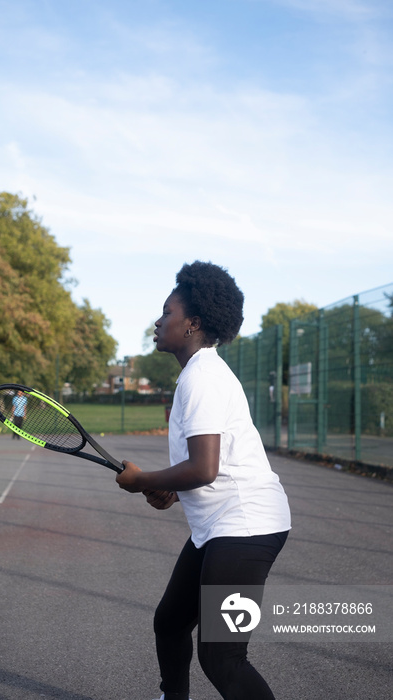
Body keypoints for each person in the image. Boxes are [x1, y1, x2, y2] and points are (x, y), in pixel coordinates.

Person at [116, 261, 291, 700]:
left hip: (246, 527)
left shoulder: (202, 379)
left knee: (222, 656)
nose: (158, 321)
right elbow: (208, 467)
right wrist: (171, 490)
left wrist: (141, 481)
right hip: (220, 527)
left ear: (192, 323)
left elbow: (205, 468)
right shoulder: (197, 374)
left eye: (167, 312)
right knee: (171, 622)